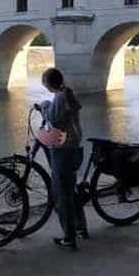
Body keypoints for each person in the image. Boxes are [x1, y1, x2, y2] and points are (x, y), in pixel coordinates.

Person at [38, 67, 87, 250]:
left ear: (48, 83)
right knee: (70, 190)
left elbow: (54, 121)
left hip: (63, 149)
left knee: (61, 195)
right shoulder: (68, 94)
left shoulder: (59, 97)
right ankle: (81, 226)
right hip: (74, 147)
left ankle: (69, 236)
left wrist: (44, 106)